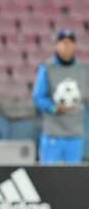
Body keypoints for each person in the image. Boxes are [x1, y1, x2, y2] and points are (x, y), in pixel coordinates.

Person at [32, 29, 86, 164]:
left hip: (75, 134)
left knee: (74, 178)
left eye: (69, 43)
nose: (66, 46)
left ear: (74, 45)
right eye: (62, 43)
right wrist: (53, 108)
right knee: (48, 178)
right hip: (53, 133)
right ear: (56, 45)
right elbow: (38, 97)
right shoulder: (47, 68)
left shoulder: (83, 70)